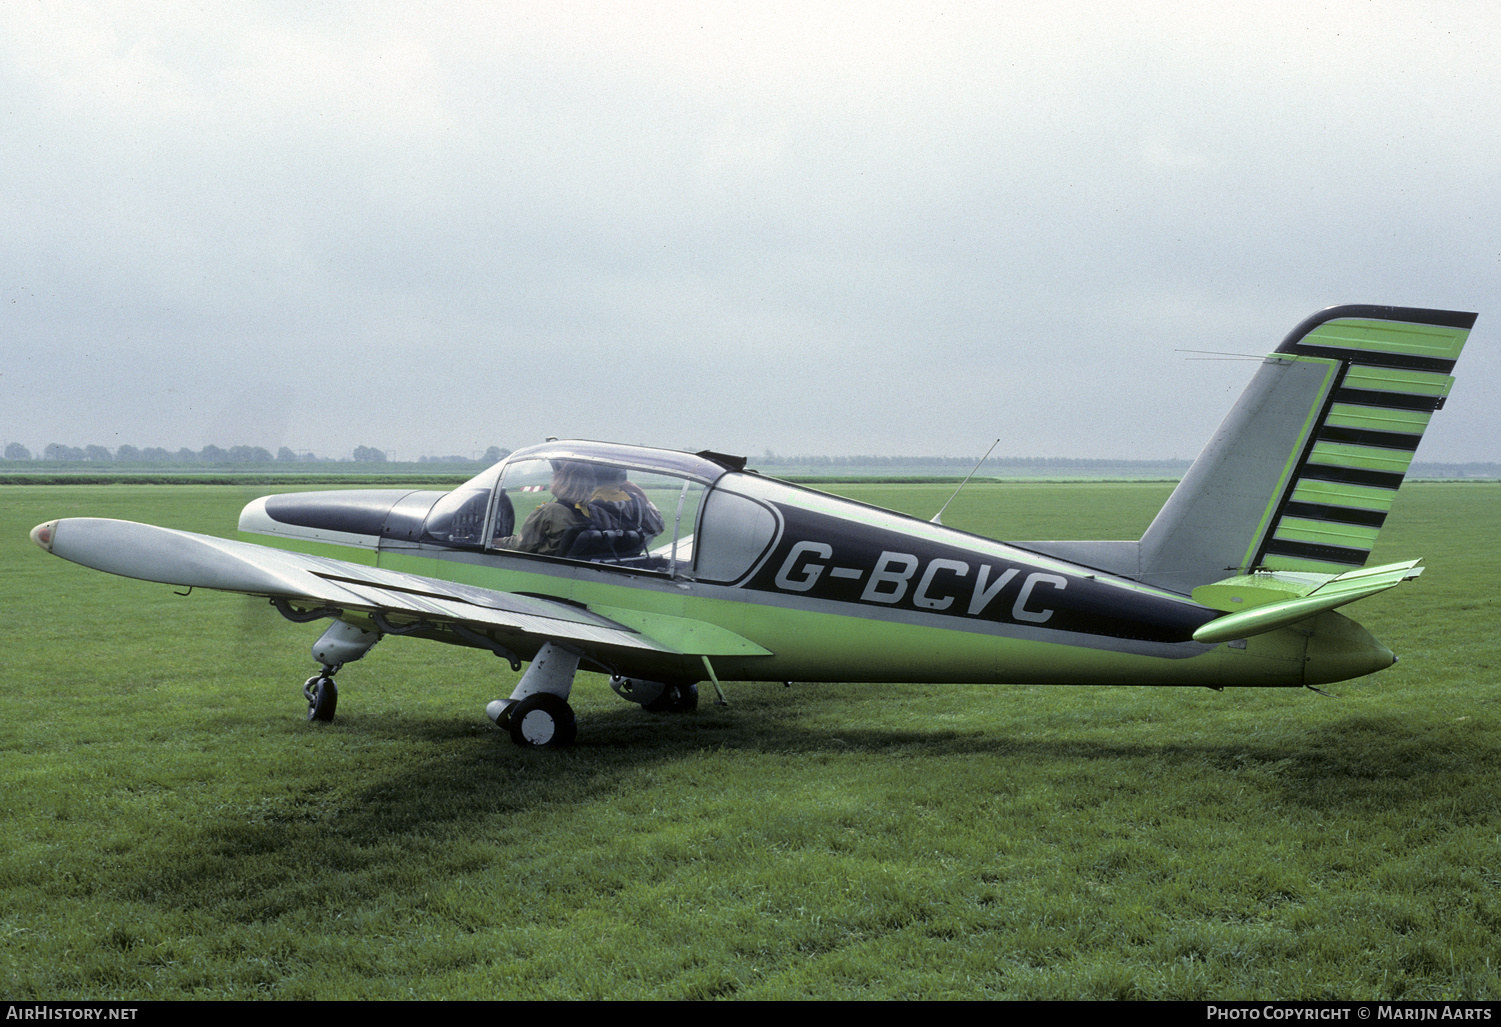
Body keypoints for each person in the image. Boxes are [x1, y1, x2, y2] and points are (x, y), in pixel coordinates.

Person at [493, 461, 596, 555]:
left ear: (562, 481)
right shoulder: (595, 513)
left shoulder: (548, 511)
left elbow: (521, 545)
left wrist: (496, 541)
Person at [586, 465, 665, 537]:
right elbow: (659, 527)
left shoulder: (586, 504)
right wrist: (643, 496)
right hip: (631, 552)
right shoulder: (636, 500)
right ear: (621, 477)